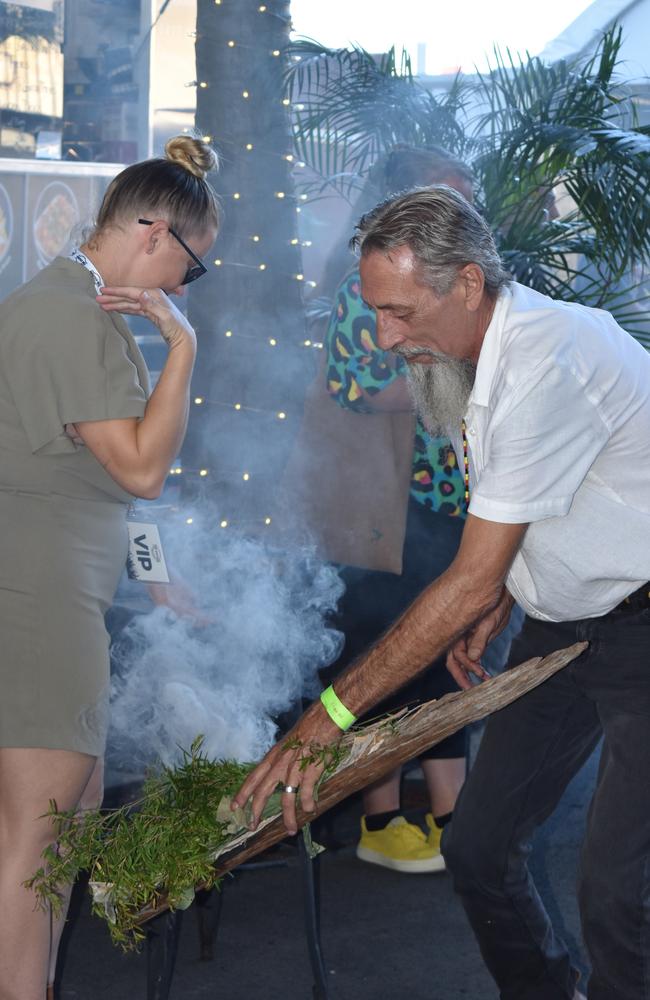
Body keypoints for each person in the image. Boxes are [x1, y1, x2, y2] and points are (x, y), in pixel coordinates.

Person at [236, 186, 650, 1000]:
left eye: (399, 312)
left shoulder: (547, 357)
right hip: (565, 627)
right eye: (376, 314)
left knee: (616, 890)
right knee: (478, 848)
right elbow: (537, 503)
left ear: (466, 283)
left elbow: (462, 580)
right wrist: (510, 589)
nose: (386, 338)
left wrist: (326, 721)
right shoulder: (471, 349)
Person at [0, 134, 220, 1000]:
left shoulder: (64, 303)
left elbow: (105, 480)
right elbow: (141, 468)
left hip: (52, 587)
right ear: (154, 231)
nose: (180, 289)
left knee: (69, 816)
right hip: (39, 597)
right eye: (191, 270)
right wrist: (184, 347)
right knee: (39, 841)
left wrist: (155, 571)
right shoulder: (69, 314)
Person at [320, 147, 481, 873]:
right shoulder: (364, 287)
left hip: (444, 503)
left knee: (441, 662)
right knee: (390, 657)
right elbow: (356, 387)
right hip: (388, 510)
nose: (466, 212)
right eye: (450, 198)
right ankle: (382, 822)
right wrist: (457, 365)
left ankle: (452, 818)